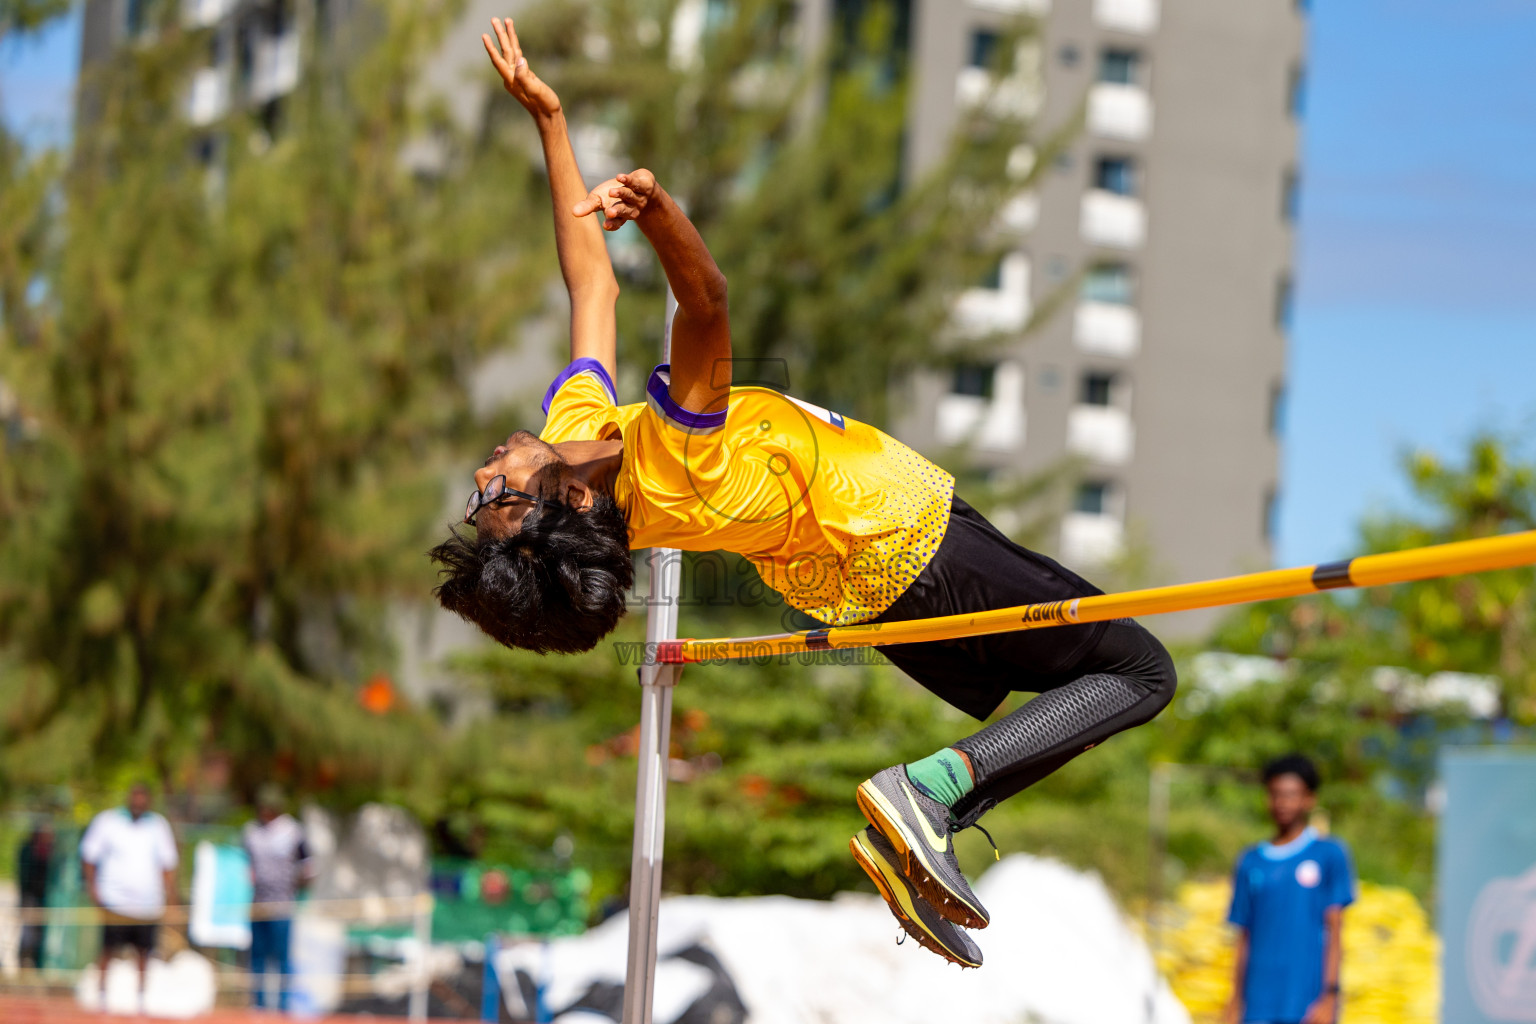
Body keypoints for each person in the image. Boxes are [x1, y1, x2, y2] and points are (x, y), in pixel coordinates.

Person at [431, 19, 1177, 968]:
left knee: (1073, 694)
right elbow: (704, 303)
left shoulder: (586, 426)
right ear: (567, 505)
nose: (487, 470)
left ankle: (926, 819)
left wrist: (551, 119)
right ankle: (929, 795)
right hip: (911, 543)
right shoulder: (673, 457)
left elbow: (592, 286)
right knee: (1142, 669)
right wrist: (658, 210)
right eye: (496, 494)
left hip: (886, 576)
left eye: (481, 490)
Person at [1225, 755, 1356, 1024]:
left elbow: (1336, 929)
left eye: (1291, 794)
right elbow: (1244, 937)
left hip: (1305, 1002)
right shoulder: (1251, 861)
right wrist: (1235, 1000)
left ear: (1309, 799)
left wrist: (1330, 996)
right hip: (1258, 1003)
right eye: (1276, 794)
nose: (1283, 802)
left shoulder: (1329, 854)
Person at [80, 782, 179, 1012]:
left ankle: (141, 999)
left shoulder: (158, 826)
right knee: (108, 950)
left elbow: (168, 864)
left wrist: (170, 898)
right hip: (114, 902)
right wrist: (93, 888)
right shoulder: (108, 821)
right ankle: (101, 996)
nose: (138, 802)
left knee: (144, 953)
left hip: (147, 905)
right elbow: (89, 855)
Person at [242, 784, 312, 1012]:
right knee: (258, 957)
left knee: (282, 958)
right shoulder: (251, 832)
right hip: (258, 903)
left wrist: (297, 887)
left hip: (282, 905)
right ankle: (259, 1005)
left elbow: (308, 866)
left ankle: (283, 1007)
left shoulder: (292, 831)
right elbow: (248, 863)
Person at [16, 820, 57, 969]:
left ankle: (36, 962)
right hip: (31, 896)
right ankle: (25, 960)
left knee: (41, 932)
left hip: (46, 898)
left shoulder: (52, 851)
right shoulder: (28, 850)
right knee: (28, 931)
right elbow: (25, 876)